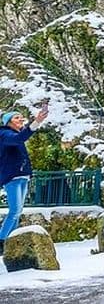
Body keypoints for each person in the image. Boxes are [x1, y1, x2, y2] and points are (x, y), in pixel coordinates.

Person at [0, 107, 49, 255]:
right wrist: (36, 122)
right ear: (8, 122)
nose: (21, 119)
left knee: (18, 211)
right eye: (16, 117)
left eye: (21, 117)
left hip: (22, 176)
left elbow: (21, 137)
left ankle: (11, 239)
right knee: (14, 210)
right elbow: (19, 138)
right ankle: (2, 240)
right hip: (12, 177)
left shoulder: (15, 134)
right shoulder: (5, 134)